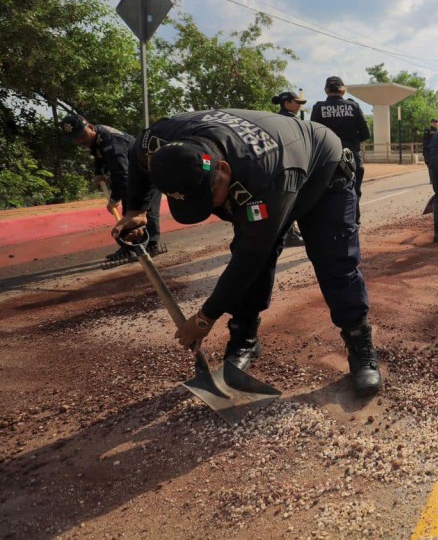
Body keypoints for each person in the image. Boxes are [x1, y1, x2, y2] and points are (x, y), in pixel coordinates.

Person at [111, 109, 382, 397]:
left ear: (224, 170)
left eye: (208, 197)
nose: (209, 208)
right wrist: (136, 209)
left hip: (321, 172)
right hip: (276, 168)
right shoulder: (158, 142)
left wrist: (205, 317)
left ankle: (359, 344)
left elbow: (249, 257)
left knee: (333, 262)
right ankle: (244, 339)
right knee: (255, 258)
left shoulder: (262, 177)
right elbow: (137, 157)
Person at [61, 113, 163, 262]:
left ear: (90, 127)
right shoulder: (95, 140)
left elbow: (121, 172)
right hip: (133, 175)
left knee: (146, 209)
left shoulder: (110, 139)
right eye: (75, 138)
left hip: (147, 171)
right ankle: (130, 248)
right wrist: (99, 172)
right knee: (129, 211)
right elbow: (99, 156)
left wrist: (115, 198)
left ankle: (151, 246)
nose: (79, 140)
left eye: (81, 135)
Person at [310, 76, 371, 222]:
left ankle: (331, 223)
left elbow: (314, 135)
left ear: (326, 90)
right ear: (343, 90)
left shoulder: (318, 107)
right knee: (353, 192)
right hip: (351, 157)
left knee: (327, 192)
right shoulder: (353, 106)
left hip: (327, 158)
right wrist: (351, 143)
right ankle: (353, 224)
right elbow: (365, 134)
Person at [271, 91, 308, 247]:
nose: (299, 106)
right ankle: (290, 235)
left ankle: (287, 233)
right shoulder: (291, 121)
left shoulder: (274, 119)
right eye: (296, 102)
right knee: (292, 200)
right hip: (292, 164)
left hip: (278, 164)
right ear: (286, 103)